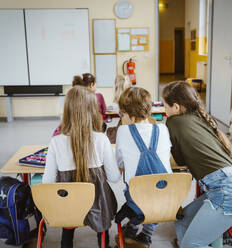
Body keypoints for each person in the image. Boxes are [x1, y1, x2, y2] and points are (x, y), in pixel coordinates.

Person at [162, 81, 232, 248]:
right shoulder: (201, 117)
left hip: (226, 191)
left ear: (175, 107)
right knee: (182, 222)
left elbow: (181, 161)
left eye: (165, 106)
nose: (164, 110)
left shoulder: (173, 122)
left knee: (193, 244)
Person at [43, 86, 121, 248]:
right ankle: (103, 243)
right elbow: (114, 178)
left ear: (67, 111)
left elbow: (47, 182)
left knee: (67, 204)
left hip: (67, 209)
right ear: (93, 111)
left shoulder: (56, 142)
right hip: (99, 208)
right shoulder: (101, 139)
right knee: (104, 199)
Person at [115, 87, 172, 248]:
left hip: (138, 198)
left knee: (135, 190)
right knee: (156, 192)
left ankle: (131, 229)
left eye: (122, 114)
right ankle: (146, 235)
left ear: (127, 113)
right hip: (168, 197)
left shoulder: (123, 131)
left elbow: (119, 164)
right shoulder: (163, 128)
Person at [106, 75, 132, 143]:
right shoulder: (131, 99)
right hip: (131, 128)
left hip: (126, 128)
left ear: (116, 88)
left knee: (109, 132)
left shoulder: (120, 103)